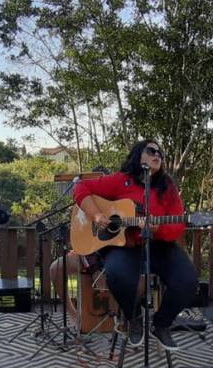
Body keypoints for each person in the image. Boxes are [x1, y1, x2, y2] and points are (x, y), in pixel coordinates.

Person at [73, 140, 198, 350]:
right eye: (151, 151)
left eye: (160, 152)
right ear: (139, 154)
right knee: (117, 274)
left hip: (158, 245)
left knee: (187, 281)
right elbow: (81, 188)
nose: (157, 154)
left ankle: (161, 325)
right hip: (124, 245)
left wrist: (158, 229)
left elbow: (177, 223)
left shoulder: (167, 187)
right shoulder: (121, 180)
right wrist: (96, 214)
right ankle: (135, 319)